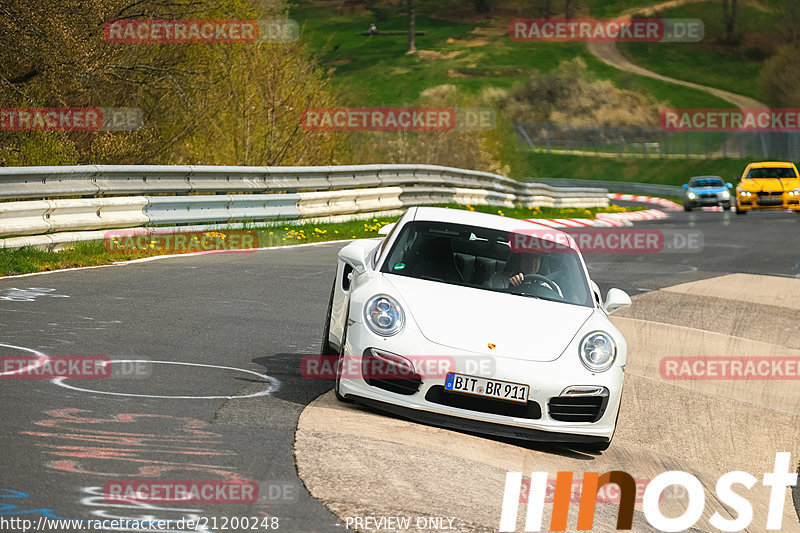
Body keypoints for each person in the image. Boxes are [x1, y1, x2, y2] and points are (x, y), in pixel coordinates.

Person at [485, 251, 552, 291]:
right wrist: (511, 288)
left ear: (541, 261)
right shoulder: (500, 279)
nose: (532, 261)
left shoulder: (550, 286)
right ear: (518, 258)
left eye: (536, 257)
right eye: (527, 256)